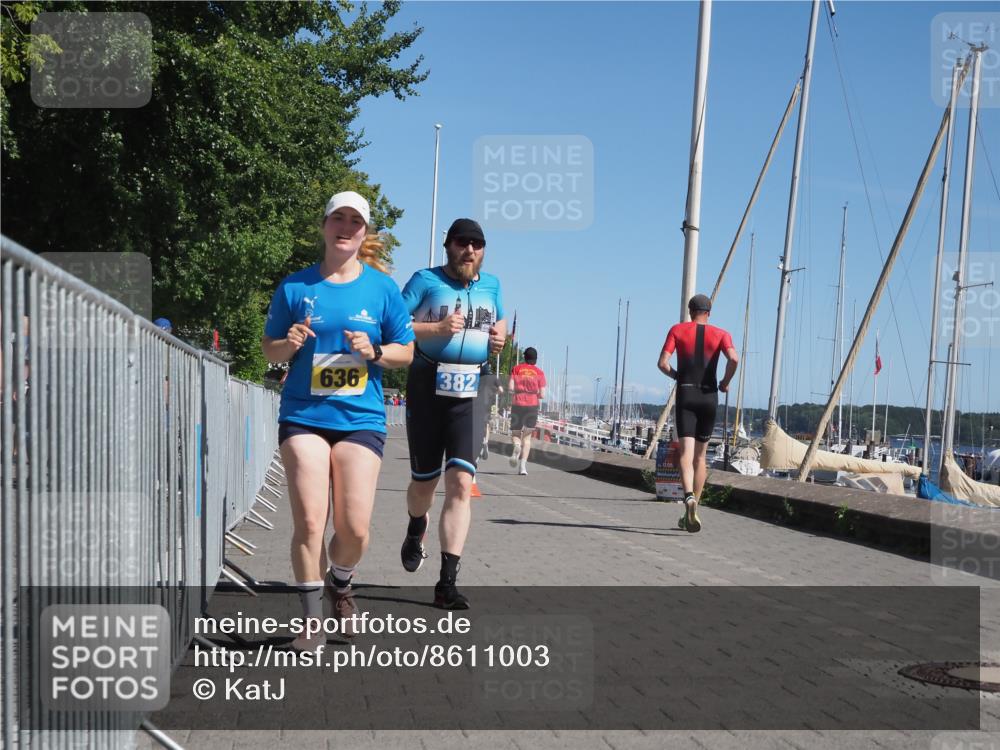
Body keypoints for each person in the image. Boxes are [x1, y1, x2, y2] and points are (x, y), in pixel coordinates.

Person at [262, 191, 415, 649]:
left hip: (360, 418)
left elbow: (406, 351)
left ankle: (341, 582)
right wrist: (287, 343)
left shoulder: (382, 288)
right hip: (304, 414)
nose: (346, 228)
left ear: (364, 232)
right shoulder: (295, 287)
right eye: (338, 219)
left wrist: (377, 352)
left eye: (355, 222)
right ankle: (312, 622)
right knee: (310, 522)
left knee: (354, 530)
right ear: (324, 226)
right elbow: (268, 349)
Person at [399, 218, 506, 609]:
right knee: (423, 486)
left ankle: (447, 583)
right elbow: (392, 327)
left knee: (461, 482)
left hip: (471, 392)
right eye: (463, 243)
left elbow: (500, 321)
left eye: (477, 244)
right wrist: (437, 328)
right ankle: (415, 526)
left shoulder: (492, 284)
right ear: (448, 246)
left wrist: (499, 338)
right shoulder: (424, 281)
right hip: (428, 385)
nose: (470, 250)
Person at [657, 294, 738, 533]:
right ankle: (694, 508)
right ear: (709, 313)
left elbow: (662, 363)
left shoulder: (677, 330)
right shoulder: (722, 334)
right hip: (709, 396)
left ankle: (688, 497)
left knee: (686, 453)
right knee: (700, 458)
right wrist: (724, 382)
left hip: (686, 393)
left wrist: (677, 376)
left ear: (690, 311)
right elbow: (734, 358)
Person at [508, 348, 546, 475]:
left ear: (524, 357)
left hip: (517, 403)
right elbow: (543, 394)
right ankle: (523, 467)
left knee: (515, 433)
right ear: (535, 359)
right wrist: (536, 395)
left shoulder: (516, 369)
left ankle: (516, 446)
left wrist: (515, 391)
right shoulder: (539, 372)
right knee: (528, 438)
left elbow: (510, 388)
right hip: (532, 405)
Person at [478, 370, 503, 461]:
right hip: (488, 403)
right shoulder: (494, 378)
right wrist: (494, 393)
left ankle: (480, 444)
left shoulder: (479, 377)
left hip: (477, 402)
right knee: (487, 424)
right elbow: (501, 390)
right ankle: (485, 442)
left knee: (478, 425)